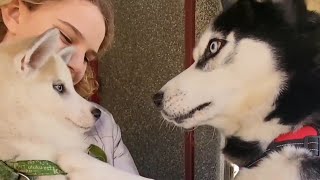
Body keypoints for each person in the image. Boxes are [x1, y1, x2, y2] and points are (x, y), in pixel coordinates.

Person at [0, 0, 139, 175]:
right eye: (65, 37)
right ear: (14, 14)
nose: (77, 65)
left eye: (87, 58)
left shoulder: (104, 128)